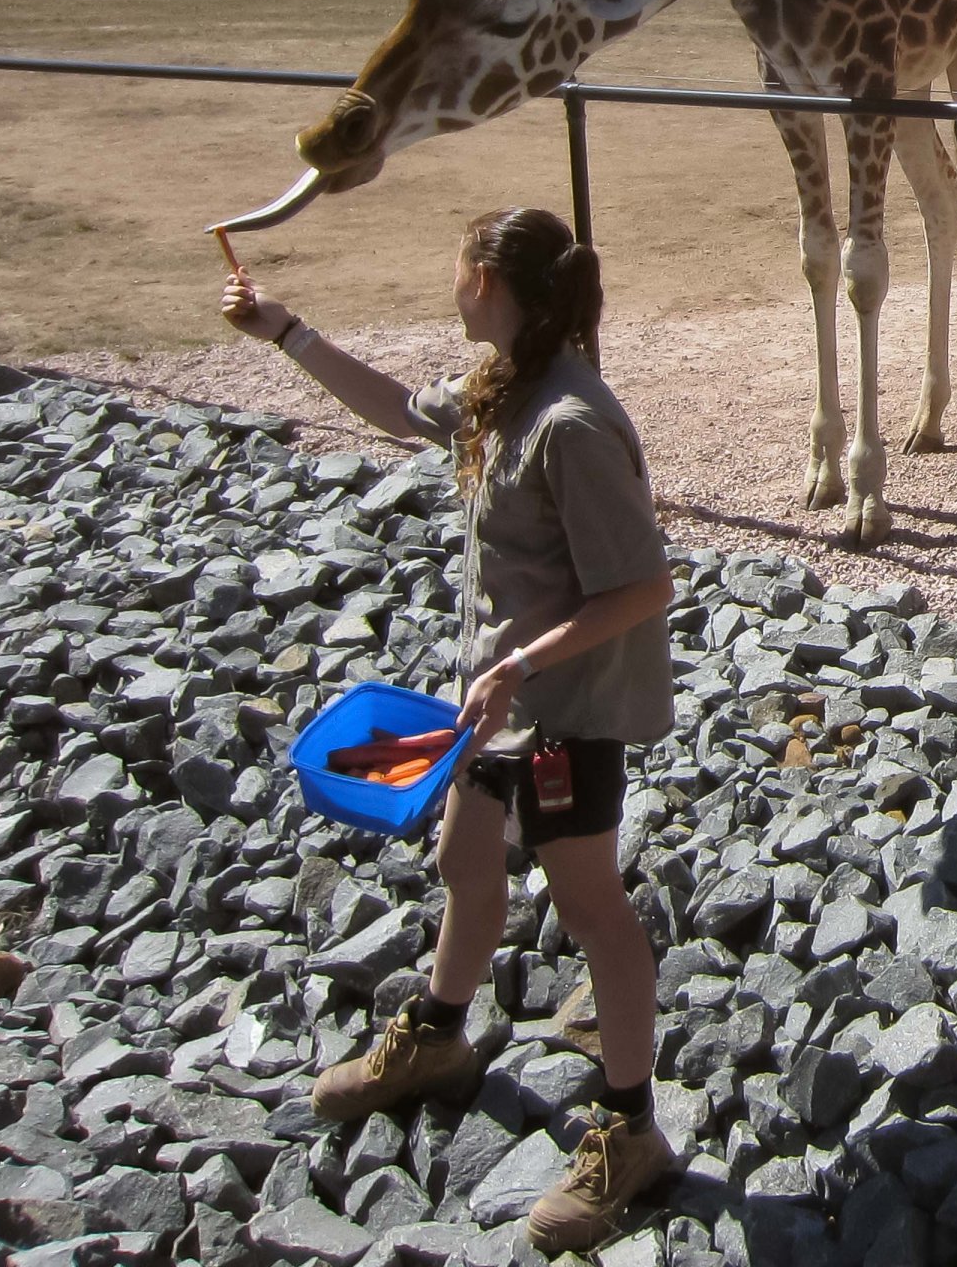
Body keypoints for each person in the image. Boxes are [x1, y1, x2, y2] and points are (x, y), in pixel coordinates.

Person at [222, 207, 678, 1251]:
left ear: (485, 279)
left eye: (456, 270)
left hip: (563, 717)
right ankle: (438, 1034)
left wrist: (522, 658)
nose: (451, 283)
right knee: (466, 862)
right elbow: (392, 408)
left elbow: (645, 585)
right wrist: (284, 332)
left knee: (590, 904)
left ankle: (630, 1124)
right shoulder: (499, 389)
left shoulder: (569, 423)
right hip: (498, 707)